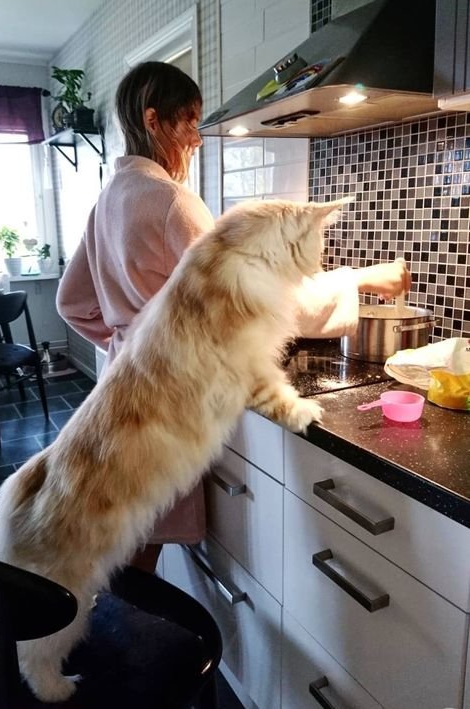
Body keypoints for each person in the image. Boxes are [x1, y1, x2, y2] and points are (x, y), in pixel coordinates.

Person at [56, 61, 410, 573]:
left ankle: (125, 633)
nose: (197, 139)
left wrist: (130, 341)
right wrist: (361, 278)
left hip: (125, 385)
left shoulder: (107, 200)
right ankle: (134, 643)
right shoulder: (172, 201)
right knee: (139, 542)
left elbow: (72, 302)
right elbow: (245, 308)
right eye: (190, 122)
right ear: (154, 121)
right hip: (170, 398)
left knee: (125, 529)